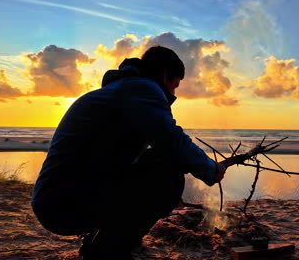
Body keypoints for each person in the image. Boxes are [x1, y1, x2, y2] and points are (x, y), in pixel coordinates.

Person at [31, 46, 227, 259]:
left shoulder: (120, 91)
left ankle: (99, 244)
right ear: (164, 74)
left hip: (56, 199)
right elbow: (172, 140)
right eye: (174, 85)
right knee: (168, 174)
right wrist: (210, 169)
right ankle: (109, 251)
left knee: (158, 162)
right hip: (64, 204)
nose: (173, 94)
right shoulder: (141, 89)